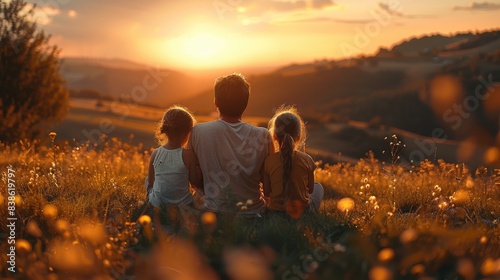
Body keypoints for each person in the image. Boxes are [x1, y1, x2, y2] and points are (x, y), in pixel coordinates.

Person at [188, 73, 274, 215]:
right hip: (253, 213)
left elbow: (194, 179)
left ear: (216, 102)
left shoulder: (198, 132)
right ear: (245, 104)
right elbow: (269, 181)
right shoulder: (264, 135)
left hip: (211, 211)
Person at [263, 107, 324, 219]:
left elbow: (266, 193)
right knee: (318, 187)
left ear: (275, 136)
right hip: (302, 212)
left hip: (276, 213)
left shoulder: (268, 161)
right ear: (298, 137)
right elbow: (310, 189)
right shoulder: (307, 159)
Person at [146, 106, 203, 208]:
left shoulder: (155, 153)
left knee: (148, 182)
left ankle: (150, 202)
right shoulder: (188, 155)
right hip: (183, 205)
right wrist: (198, 166)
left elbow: (151, 182)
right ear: (187, 133)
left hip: (158, 204)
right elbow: (195, 182)